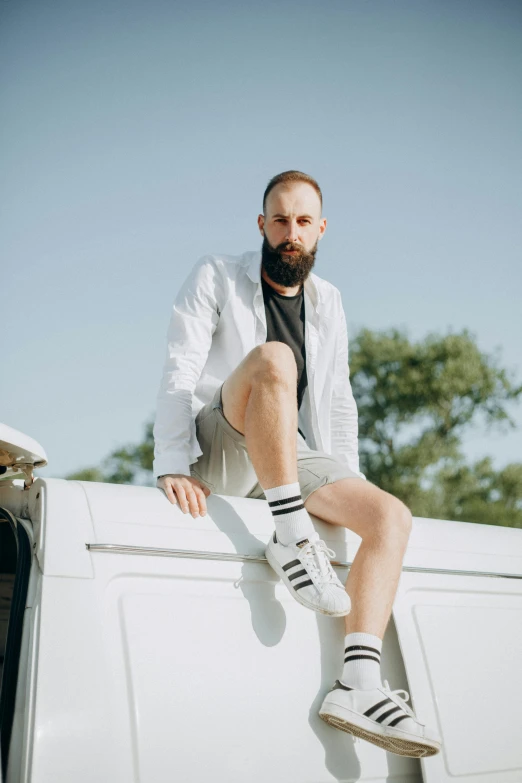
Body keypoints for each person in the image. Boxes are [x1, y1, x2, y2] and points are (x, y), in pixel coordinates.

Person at [153, 170, 440, 758]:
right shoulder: (215, 274)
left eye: (303, 222)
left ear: (321, 229)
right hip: (226, 437)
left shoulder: (328, 300)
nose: (291, 233)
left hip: (292, 451)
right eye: (280, 220)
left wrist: (348, 486)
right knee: (274, 360)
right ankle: (290, 535)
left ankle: (357, 682)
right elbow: (181, 370)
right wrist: (173, 461)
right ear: (262, 224)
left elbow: (338, 402)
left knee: (391, 518)